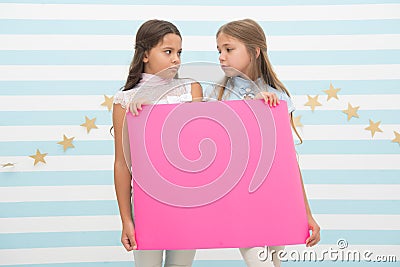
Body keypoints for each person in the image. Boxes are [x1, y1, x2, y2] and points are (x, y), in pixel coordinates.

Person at [207, 18, 321, 267]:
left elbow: (288, 161)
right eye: (219, 51)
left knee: (274, 263)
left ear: (255, 51)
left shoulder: (278, 97)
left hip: (276, 197)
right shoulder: (217, 95)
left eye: (228, 49)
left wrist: (306, 214)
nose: (221, 57)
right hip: (239, 199)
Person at [112, 19, 202, 267]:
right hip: (144, 203)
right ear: (144, 55)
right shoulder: (125, 101)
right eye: (168, 52)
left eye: (179, 52)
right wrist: (126, 220)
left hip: (187, 200)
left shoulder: (190, 90)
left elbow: (196, 145)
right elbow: (122, 163)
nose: (176, 59)